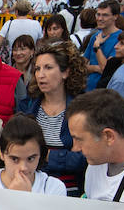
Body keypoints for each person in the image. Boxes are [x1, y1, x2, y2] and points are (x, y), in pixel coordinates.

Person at [16, 41, 87, 194]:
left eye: (48, 68)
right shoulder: (27, 105)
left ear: (65, 72)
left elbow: (82, 160)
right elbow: (19, 152)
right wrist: (63, 157)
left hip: (71, 191)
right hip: (33, 186)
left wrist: (44, 155)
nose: (41, 75)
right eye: (37, 69)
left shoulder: (83, 108)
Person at [82, 0, 124, 90]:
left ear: (115, 16)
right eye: (98, 14)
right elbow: (81, 66)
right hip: (88, 89)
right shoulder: (94, 36)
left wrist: (97, 47)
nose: (100, 18)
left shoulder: (120, 39)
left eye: (105, 15)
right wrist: (95, 68)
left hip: (105, 91)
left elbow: (105, 69)